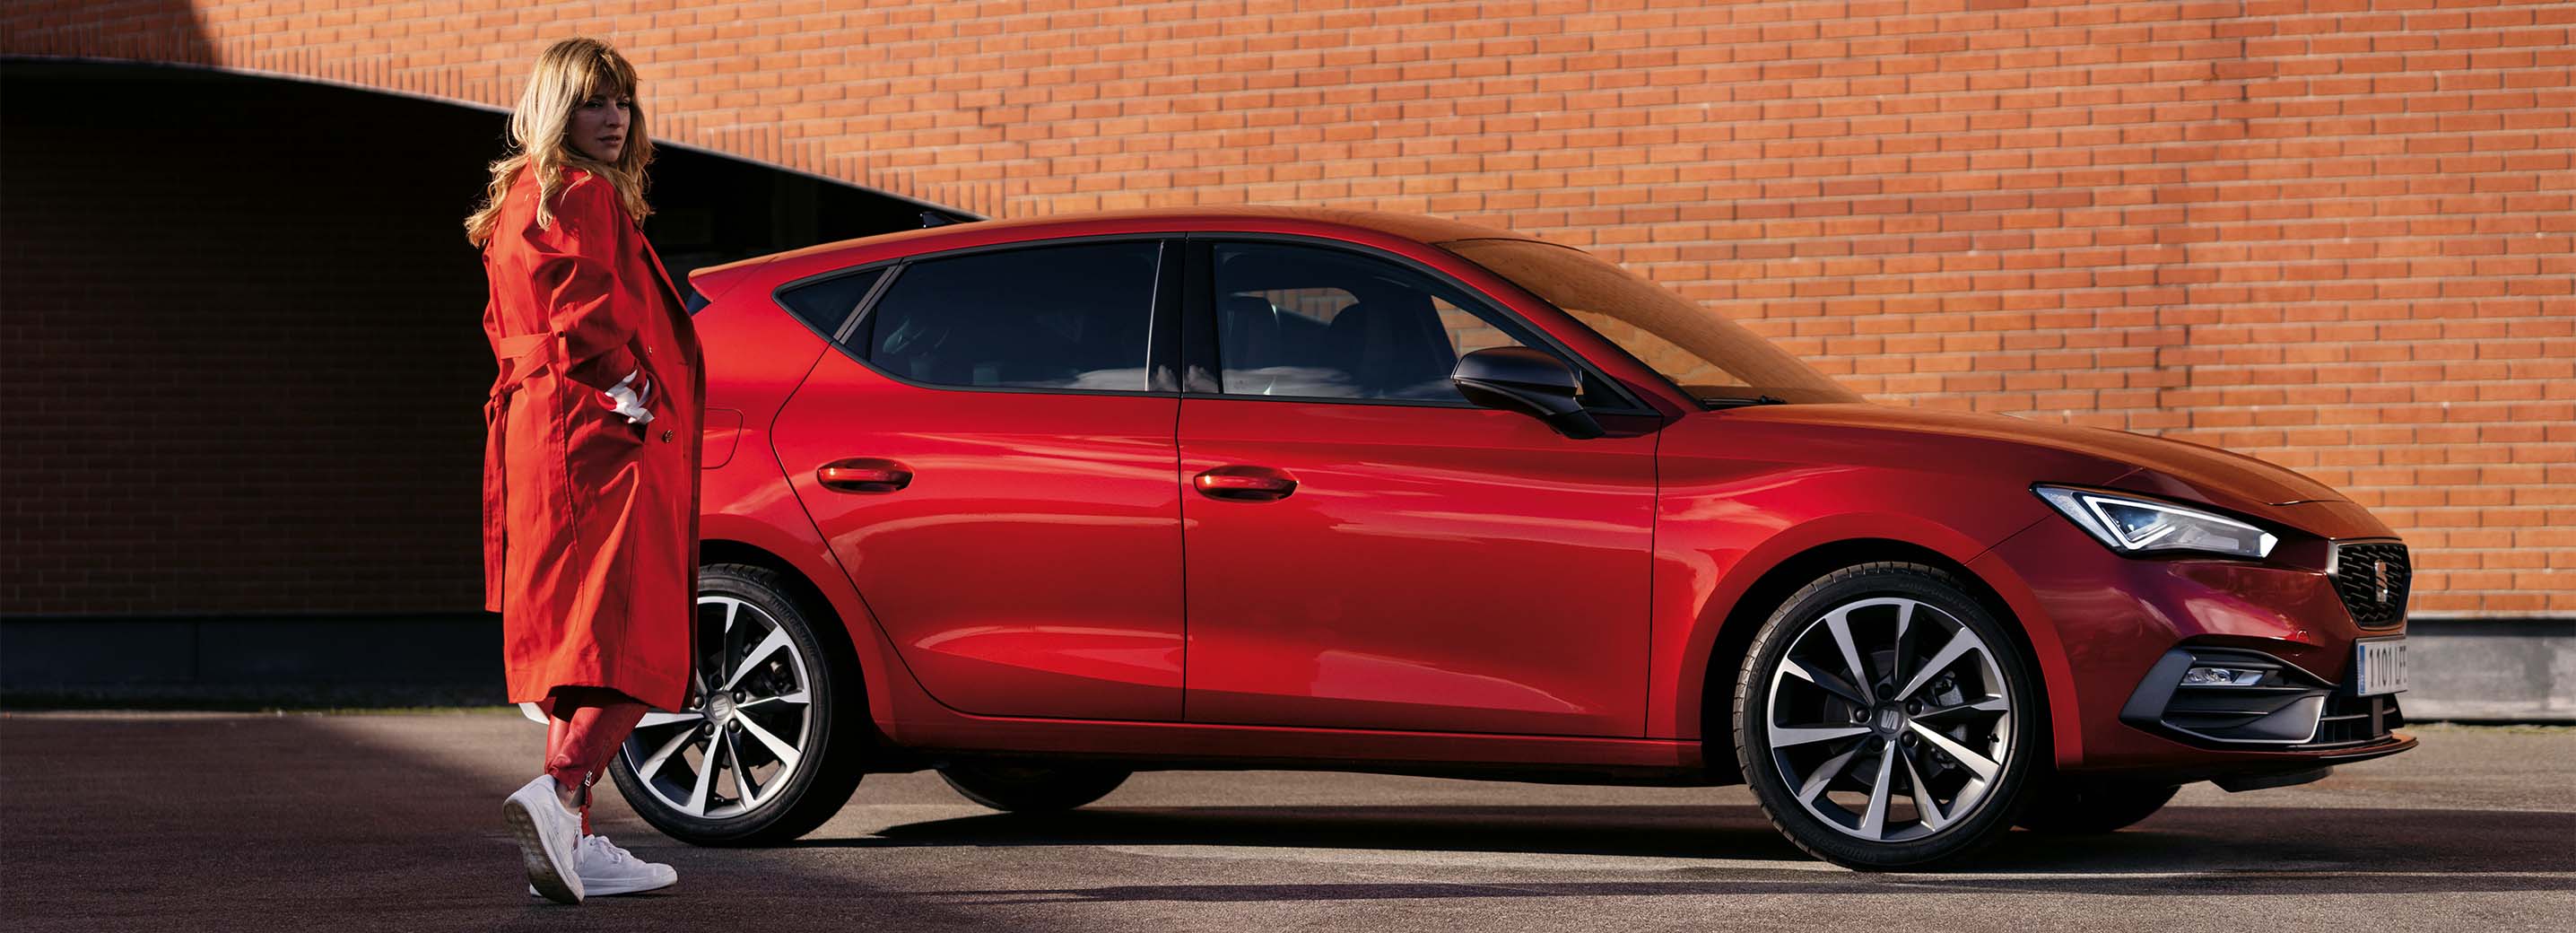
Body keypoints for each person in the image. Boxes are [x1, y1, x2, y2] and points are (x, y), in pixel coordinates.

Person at [463, 37, 705, 904]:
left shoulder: (523, 194)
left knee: (581, 640)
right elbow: (586, 312)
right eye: (596, 101)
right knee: (635, 631)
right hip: (598, 434)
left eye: (624, 102)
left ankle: (578, 842)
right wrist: (632, 386)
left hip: (545, 433)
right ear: (557, 108)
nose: (614, 118)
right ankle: (563, 792)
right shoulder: (583, 192)